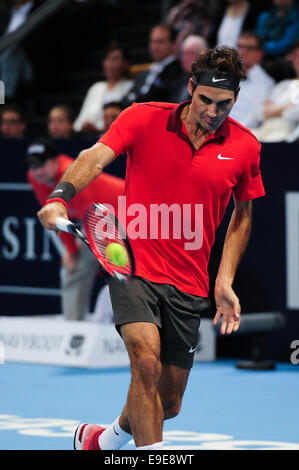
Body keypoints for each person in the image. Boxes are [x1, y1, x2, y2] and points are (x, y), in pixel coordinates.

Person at [37, 46, 265, 450]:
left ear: (236, 98)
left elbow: (242, 215)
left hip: (190, 281)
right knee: (145, 362)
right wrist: (59, 195)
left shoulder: (245, 147)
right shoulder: (143, 118)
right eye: (205, 101)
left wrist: (224, 280)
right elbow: (94, 157)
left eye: (224, 104)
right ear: (191, 87)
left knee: (169, 401)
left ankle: (104, 441)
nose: (213, 112)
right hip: (133, 267)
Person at [27, 138, 125, 321]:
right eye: (33, 165)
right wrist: (71, 253)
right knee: (73, 269)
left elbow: (91, 216)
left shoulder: (71, 174)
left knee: (129, 274)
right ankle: (73, 327)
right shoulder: (36, 178)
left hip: (128, 215)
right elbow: (56, 215)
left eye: (41, 164)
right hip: (97, 220)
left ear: (56, 160)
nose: (37, 170)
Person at [73, 42, 133, 136]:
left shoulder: (130, 87)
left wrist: (98, 129)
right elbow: (79, 123)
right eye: (107, 59)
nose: (110, 64)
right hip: (89, 139)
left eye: (115, 59)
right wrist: (85, 126)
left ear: (125, 64)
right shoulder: (96, 88)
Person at [122, 23, 184, 107]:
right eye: (152, 41)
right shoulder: (144, 73)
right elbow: (127, 99)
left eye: (160, 42)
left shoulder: (178, 71)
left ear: (174, 44)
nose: (155, 46)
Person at [251, 39, 299, 142]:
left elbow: (294, 115)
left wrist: (273, 109)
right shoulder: (283, 85)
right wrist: (288, 106)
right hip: (264, 128)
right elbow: (260, 113)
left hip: (286, 134)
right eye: (296, 56)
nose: (298, 61)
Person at [229, 31, 275, 128]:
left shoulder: (266, 83)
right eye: (240, 46)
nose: (242, 51)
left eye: (249, 48)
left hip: (242, 133)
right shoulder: (223, 74)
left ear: (259, 54)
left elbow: (255, 117)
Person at [170, 34, 208, 103]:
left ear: (204, 56)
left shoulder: (209, 85)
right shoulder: (175, 80)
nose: (187, 58)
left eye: (192, 53)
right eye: (184, 53)